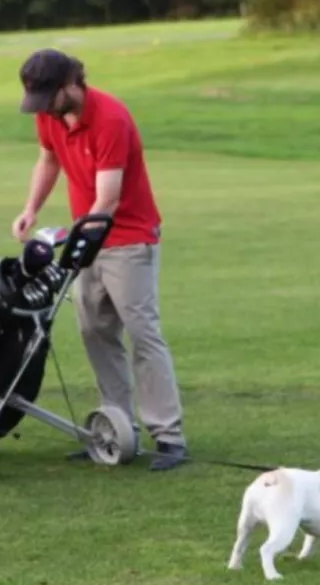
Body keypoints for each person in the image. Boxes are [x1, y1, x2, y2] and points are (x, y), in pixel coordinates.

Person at [11, 48, 189, 471]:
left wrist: (77, 238)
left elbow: (107, 198)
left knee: (142, 332)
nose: (44, 110)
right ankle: (116, 430)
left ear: (71, 84)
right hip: (86, 238)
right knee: (94, 331)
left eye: (48, 98)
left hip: (128, 238)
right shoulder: (49, 116)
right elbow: (49, 158)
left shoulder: (110, 118)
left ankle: (169, 436)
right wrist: (31, 209)